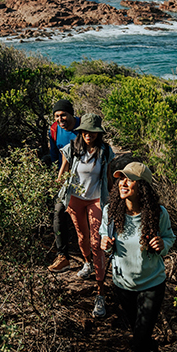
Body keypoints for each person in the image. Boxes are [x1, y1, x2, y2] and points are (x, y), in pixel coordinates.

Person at [100, 162, 175, 352]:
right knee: (139, 333)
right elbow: (103, 237)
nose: (122, 183)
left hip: (152, 284)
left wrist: (161, 244)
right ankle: (152, 347)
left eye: (128, 180)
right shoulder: (111, 211)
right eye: (120, 179)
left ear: (142, 187)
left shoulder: (157, 213)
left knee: (138, 341)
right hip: (122, 285)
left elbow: (170, 238)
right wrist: (104, 244)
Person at [57, 114, 115, 316]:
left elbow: (107, 176)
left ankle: (100, 294)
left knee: (97, 241)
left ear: (98, 133)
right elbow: (63, 169)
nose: (89, 135)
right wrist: (60, 184)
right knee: (82, 237)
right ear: (81, 131)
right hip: (75, 198)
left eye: (93, 131)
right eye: (86, 131)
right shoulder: (73, 147)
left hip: (96, 198)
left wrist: (112, 198)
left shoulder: (105, 151)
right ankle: (87, 262)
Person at [47, 100, 80, 273]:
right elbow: (54, 157)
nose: (61, 119)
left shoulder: (83, 128)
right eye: (57, 116)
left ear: (72, 114)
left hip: (85, 179)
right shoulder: (54, 130)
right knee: (59, 211)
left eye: (64, 115)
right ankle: (63, 257)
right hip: (65, 178)